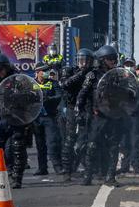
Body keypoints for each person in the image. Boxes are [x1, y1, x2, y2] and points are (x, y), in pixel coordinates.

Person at [0, 54, 34, 189]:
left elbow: (31, 98)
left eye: (0, 69)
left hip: (16, 119)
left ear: (6, 67)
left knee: (17, 147)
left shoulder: (19, 79)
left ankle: (16, 178)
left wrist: (18, 94)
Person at [76, 44, 124, 186]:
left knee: (114, 146)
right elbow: (82, 95)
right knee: (91, 145)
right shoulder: (92, 75)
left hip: (114, 115)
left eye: (114, 59)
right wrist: (80, 112)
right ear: (102, 60)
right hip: (98, 116)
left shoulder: (118, 75)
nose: (113, 62)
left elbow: (126, 94)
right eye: (110, 59)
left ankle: (110, 177)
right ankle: (88, 175)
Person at [59, 48, 94, 182]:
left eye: (86, 61)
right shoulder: (69, 71)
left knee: (86, 140)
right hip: (71, 108)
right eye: (81, 60)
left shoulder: (92, 73)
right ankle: (67, 171)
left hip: (87, 109)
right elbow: (64, 84)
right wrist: (81, 73)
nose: (83, 63)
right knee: (69, 139)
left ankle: (88, 168)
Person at [33, 63, 62, 174]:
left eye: (47, 70)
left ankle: (57, 166)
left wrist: (49, 98)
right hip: (36, 118)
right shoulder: (32, 83)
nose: (46, 72)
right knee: (40, 145)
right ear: (38, 72)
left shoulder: (53, 83)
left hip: (49, 117)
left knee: (52, 142)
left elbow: (59, 95)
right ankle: (42, 168)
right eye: (43, 70)